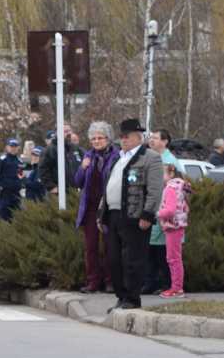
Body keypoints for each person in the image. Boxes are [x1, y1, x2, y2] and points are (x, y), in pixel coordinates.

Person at [103, 117, 163, 311]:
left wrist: (148, 214)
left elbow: (155, 189)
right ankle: (121, 296)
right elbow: (108, 187)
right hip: (113, 215)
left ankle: (132, 299)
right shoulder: (119, 158)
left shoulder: (150, 157)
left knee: (133, 260)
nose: (123, 140)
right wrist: (100, 213)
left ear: (138, 137)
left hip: (135, 216)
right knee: (114, 259)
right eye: (121, 137)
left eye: (127, 136)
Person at [70, 121, 118, 292]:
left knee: (109, 245)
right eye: (93, 139)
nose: (96, 141)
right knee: (91, 247)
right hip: (90, 208)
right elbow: (77, 181)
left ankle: (111, 281)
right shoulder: (87, 156)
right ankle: (93, 282)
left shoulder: (116, 156)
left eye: (100, 138)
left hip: (107, 206)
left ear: (108, 138)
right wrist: (83, 168)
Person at [157, 153, 192, 298]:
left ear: (170, 173)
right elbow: (186, 207)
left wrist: (158, 213)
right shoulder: (180, 186)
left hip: (173, 226)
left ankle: (176, 288)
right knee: (175, 257)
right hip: (179, 225)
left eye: (161, 174)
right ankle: (177, 287)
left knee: (173, 258)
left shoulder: (170, 188)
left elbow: (170, 210)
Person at [144, 129, 174, 294]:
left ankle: (165, 283)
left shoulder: (169, 161)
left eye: (156, 138)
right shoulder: (151, 157)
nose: (152, 140)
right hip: (153, 208)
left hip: (164, 211)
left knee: (162, 252)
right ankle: (150, 282)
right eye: (151, 138)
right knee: (150, 250)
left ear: (165, 142)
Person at [0, 137, 24, 221]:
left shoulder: (20, 162)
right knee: (3, 219)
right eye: (11, 146)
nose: (13, 149)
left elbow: (22, 177)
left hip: (16, 195)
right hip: (5, 194)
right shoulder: (1, 160)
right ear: (7, 147)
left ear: (18, 148)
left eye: (15, 147)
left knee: (16, 219)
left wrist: (21, 187)